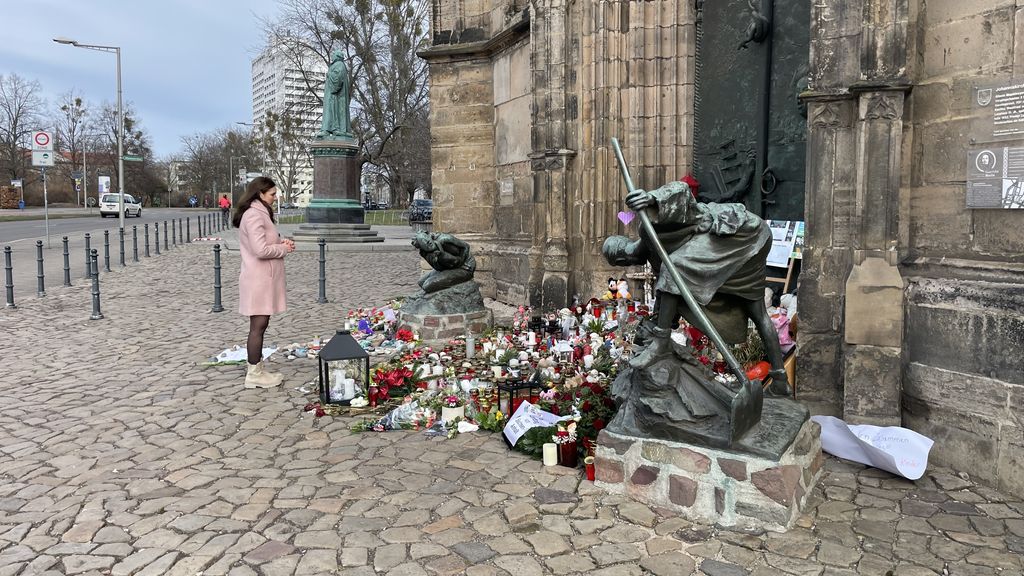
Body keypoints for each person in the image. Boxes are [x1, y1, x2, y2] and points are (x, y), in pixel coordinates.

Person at [603, 180, 791, 396]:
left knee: (674, 268)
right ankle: (780, 381)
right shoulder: (656, 256)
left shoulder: (648, 228)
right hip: (752, 238)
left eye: (620, 258)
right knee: (757, 312)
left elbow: (681, 191)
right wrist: (659, 320)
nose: (627, 260)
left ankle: (661, 343)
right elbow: (669, 296)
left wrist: (652, 198)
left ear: (622, 255)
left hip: (738, 232)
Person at [232, 177, 296, 388]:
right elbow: (260, 250)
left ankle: (257, 368)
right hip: (258, 279)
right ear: (260, 194)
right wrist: (283, 249)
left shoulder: (260, 213)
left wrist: (280, 242)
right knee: (258, 326)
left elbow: (264, 242)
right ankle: (254, 373)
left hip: (261, 277)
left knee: (260, 325)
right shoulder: (254, 215)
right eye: (272, 194)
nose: (275, 198)